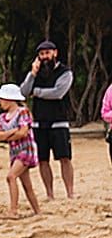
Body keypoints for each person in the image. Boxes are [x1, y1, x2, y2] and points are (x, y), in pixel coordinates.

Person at [20, 40, 75, 199]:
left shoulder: (65, 72)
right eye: (41, 54)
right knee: (43, 160)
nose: (45, 57)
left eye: (47, 53)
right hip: (38, 123)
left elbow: (58, 92)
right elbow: (23, 92)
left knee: (65, 158)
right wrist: (32, 73)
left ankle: (70, 193)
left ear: (55, 53)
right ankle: (49, 194)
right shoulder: (35, 74)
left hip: (59, 122)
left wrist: (36, 92)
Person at [0, 83, 42, 217]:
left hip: (26, 149)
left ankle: (13, 210)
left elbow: (23, 132)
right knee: (26, 184)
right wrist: (14, 131)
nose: (0, 102)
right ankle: (38, 211)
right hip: (15, 152)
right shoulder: (3, 117)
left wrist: (7, 134)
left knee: (11, 176)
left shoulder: (22, 112)